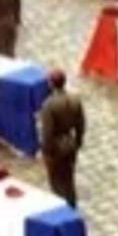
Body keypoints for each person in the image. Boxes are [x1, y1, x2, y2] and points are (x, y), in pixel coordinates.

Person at [36, 69, 85, 207]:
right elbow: (81, 124)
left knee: (56, 182)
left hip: (56, 148)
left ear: (51, 84)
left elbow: (47, 133)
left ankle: (61, 207)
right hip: (70, 144)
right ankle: (72, 204)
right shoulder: (75, 100)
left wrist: (46, 152)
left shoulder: (48, 105)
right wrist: (77, 142)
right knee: (69, 179)